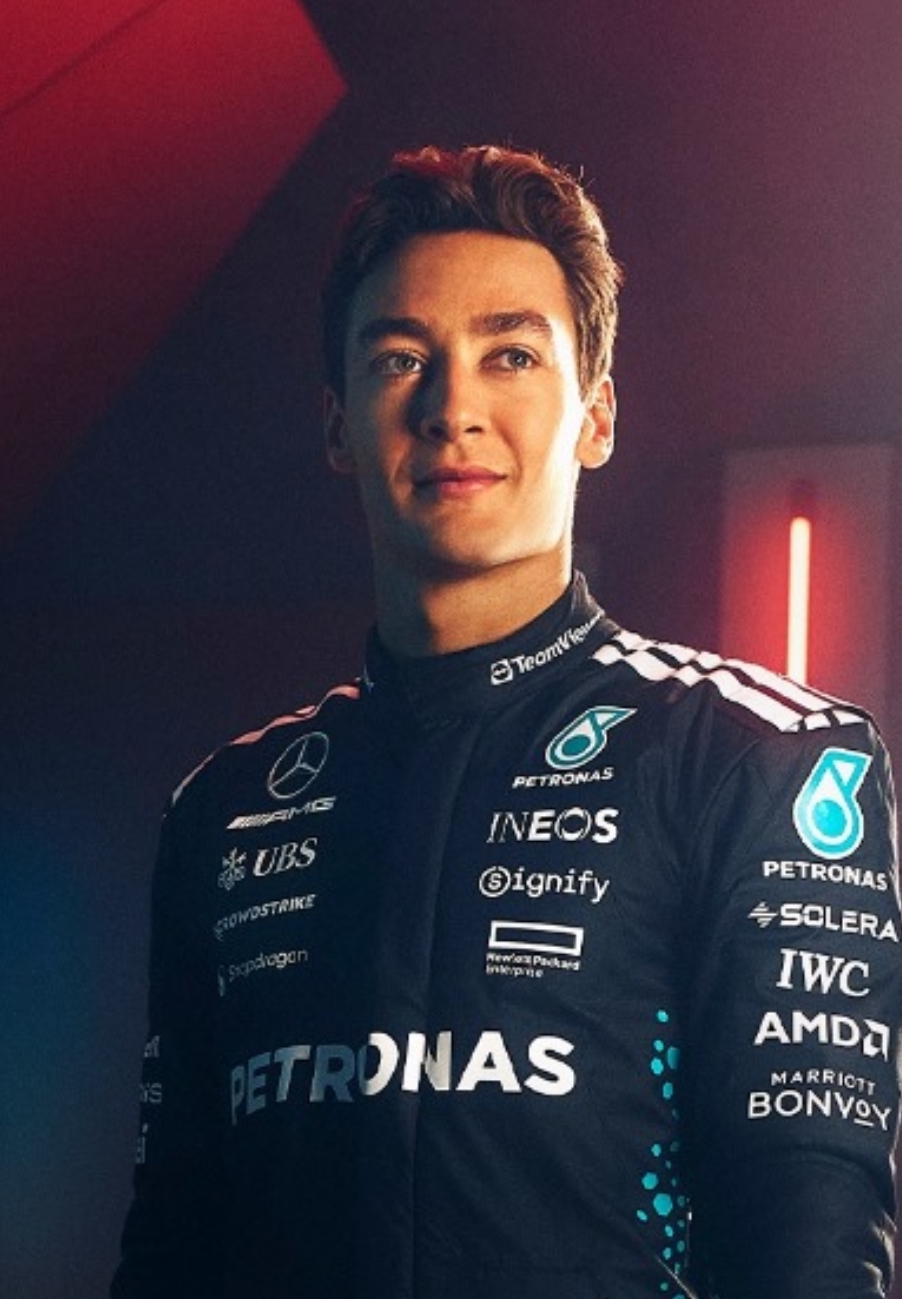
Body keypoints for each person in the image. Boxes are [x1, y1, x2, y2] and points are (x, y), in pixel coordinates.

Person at [112, 144, 900, 1297]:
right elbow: (169, 1248)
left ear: (596, 416)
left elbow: (809, 1244)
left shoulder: (761, 760)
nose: (453, 409)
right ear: (336, 425)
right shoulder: (223, 811)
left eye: (512, 355)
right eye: (400, 360)